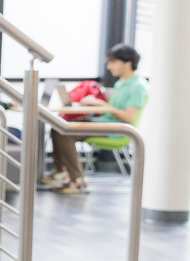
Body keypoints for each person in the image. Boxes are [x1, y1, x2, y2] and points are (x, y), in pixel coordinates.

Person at [45, 44, 148, 194]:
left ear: (128, 62)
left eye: (113, 62)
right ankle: (61, 172)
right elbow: (110, 111)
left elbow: (128, 117)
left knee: (65, 132)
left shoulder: (138, 86)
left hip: (118, 130)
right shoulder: (120, 83)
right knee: (58, 127)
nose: (109, 67)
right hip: (105, 122)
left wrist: (102, 105)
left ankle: (77, 180)